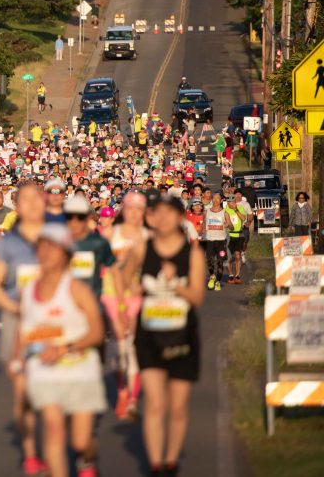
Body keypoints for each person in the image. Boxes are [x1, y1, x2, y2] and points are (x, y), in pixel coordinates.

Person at [12, 224, 105, 477]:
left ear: (66, 253)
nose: (45, 252)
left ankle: (87, 460)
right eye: (41, 247)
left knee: (79, 442)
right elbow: (23, 329)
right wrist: (16, 363)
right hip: (45, 371)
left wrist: (65, 347)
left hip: (80, 369)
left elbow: (97, 333)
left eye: (51, 247)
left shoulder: (77, 289)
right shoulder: (29, 290)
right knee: (53, 428)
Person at [136, 196, 205, 477]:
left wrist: (174, 284)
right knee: (155, 403)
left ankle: (171, 461)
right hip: (148, 334)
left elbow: (198, 297)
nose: (162, 219)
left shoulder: (193, 255)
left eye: (169, 214)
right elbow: (123, 276)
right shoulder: (143, 248)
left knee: (177, 407)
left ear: (180, 218)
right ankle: (155, 465)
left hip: (182, 334)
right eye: (157, 214)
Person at [0, 181, 47, 475]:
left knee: (51, 392)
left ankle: (54, 445)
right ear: (17, 206)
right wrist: (15, 308)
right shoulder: (9, 244)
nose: (33, 204)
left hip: (51, 323)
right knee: (24, 393)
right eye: (26, 200)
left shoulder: (56, 237)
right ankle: (30, 452)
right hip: (18, 323)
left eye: (37, 198)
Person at [105, 192, 148, 420]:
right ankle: (122, 388)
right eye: (129, 208)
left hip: (138, 295)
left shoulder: (148, 236)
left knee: (133, 345)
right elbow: (103, 264)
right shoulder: (112, 234)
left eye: (138, 209)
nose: (133, 213)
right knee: (118, 346)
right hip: (112, 294)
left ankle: (132, 399)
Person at [202, 192, 227, 291]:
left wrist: (227, 225)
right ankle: (212, 275)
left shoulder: (224, 212)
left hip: (221, 241)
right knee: (209, 260)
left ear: (221, 200)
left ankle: (218, 282)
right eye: (214, 198)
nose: (215, 200)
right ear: (212, 200)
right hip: (210, 240)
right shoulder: (206, 211)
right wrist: (203, 229)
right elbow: (203, 223)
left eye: (218, 198)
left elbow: (231, 225)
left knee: (220, 262)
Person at [224, 196, 246, 284]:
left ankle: (237, 275)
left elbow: (243, 219)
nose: (231, 203)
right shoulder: (225, 210)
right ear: (227, 202)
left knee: (238, 256)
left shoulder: (240, 208)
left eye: (232, 202)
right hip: (229, 235)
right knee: (228, 258)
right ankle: (230, 275)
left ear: (235, 202)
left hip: (239, 234)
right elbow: (226, 222)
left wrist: (236, 210)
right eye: (229, 202)